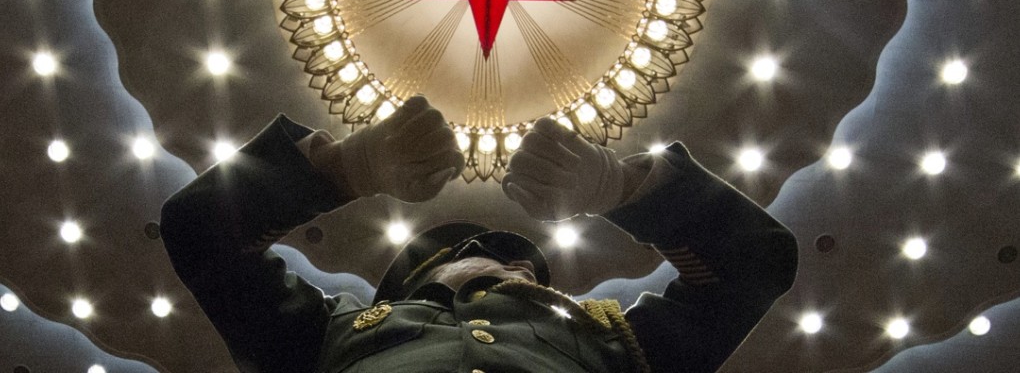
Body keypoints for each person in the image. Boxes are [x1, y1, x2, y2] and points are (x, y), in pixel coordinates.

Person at [161, 96, 798, 373]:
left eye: (521, 264)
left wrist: (619, 187)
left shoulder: (614, 339)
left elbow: (761, 263)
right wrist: (345, 166)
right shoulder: (325, 332)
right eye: (469, 251)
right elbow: (196, 231)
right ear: (415, 280)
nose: (502, 263)